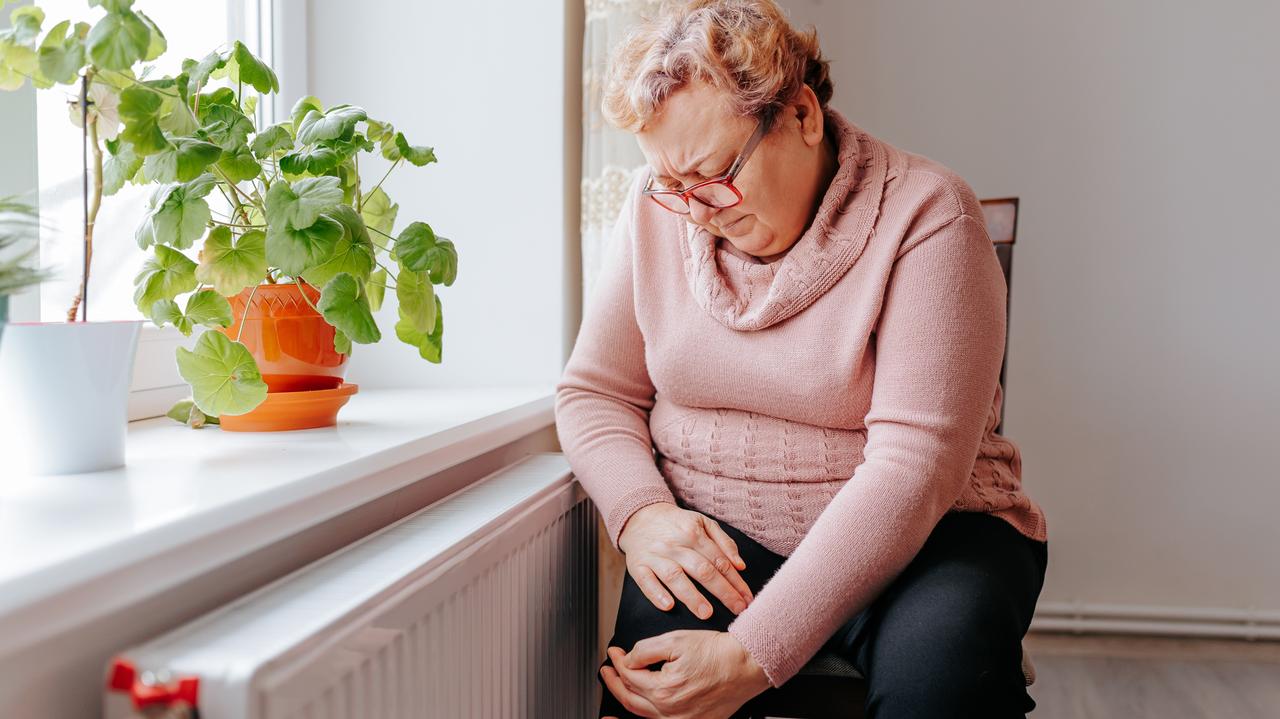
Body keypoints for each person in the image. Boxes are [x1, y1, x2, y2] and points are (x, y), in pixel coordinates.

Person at [555, 1, 1049, 716]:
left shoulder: (930, 214)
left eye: (714, 174)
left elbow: (913, 469)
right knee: (652, 695)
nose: (697, 212)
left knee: (942, 684)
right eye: (673, 187)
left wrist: (753, 653)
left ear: (801, 116)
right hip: (720, 539)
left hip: (931, 541)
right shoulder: (656, 210)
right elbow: (595, 393)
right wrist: (643, 516)